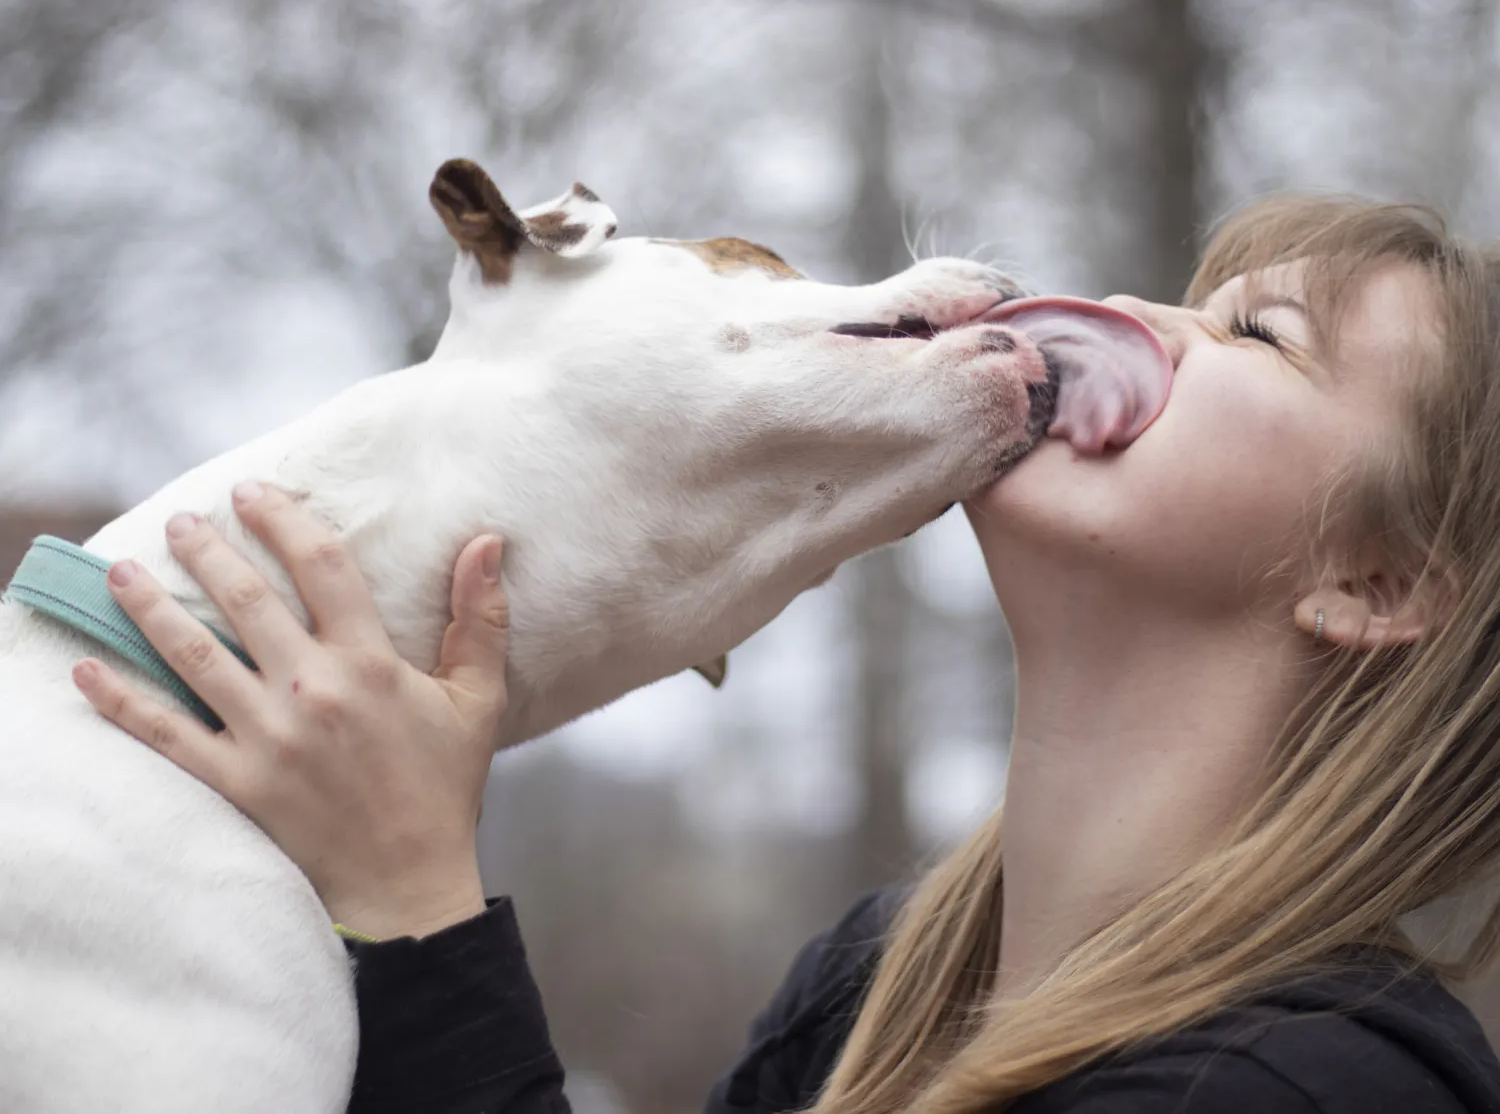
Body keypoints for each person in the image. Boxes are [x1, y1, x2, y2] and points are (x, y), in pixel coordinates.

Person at [70, 192, 1500, 1114]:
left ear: (1374, 583)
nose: (1143, 317)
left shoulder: (1301, 1091)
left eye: (1259, 331)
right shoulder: (871, 987)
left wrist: (414, 917)